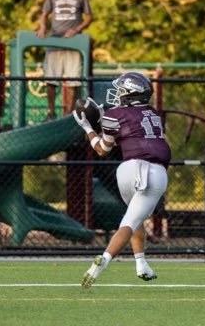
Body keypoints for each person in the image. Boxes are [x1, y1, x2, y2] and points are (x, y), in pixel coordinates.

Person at [73, 72, 171, 288]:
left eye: (120, 90)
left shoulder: (113, 114)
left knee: (133, 216)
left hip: (126, 170)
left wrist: (90, 129)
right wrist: (100, 125)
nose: (116, 94)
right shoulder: (154, 114)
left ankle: (141, 264)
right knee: (130, 221)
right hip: (154, 172)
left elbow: (102, 149)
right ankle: (103, 260)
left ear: (129, 93)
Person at [37, 0, 93, 119]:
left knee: (72, 81)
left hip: (73, 43)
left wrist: (76, 30)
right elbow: (44, 14)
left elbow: (89, 17)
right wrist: (42, 28)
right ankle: (50, 112)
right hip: (54, 41)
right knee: (51, 79)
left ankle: (68, 114)